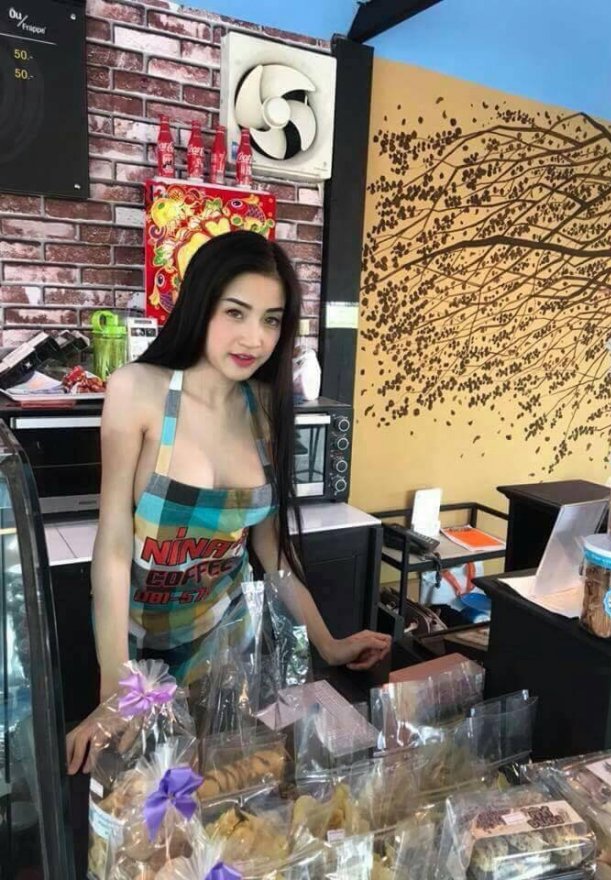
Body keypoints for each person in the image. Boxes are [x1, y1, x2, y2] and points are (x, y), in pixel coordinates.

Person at [66, 230, 391, 773]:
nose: (254, 338)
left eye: (271, 320)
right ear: (202, 305)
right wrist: (115, 690)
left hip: (227, 646)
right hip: (133, 644)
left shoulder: (265, 406)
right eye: (235, 312)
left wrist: (329, 644)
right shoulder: (138, 390)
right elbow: (115, 543)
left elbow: (272, 552)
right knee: (148, 796)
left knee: (237, 783)